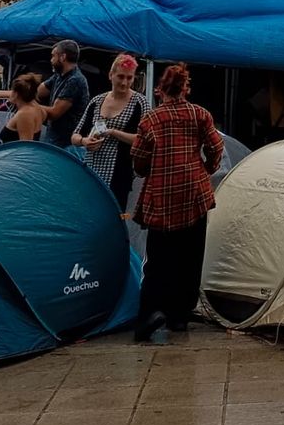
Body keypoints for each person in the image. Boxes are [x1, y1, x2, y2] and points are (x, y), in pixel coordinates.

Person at [131, 63, 224, 341]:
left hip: (162, 194)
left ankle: (150, 312)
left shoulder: (151, 120)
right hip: (195, 195)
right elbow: (216, 147)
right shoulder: (200, 115)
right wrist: (205, 169)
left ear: (161, 89)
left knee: (158, 257)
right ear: (186, 88)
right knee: (190, 256)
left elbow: (138, 159)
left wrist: (149, 169)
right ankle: (179, 316)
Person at [72, 53, 150, 203]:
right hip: (91, 171)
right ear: (110, 75)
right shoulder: (97, 101)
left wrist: (113, 132)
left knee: (117, 217)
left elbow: (144, 139)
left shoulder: (140, 102)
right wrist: (84, 141)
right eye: (120, 77)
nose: (125, 83)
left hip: (120, 174)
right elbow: (75, 135)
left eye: (129, 78)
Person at [39, 40, 90, 149]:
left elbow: (54, 113)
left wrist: (27, 106)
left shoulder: (75, 80)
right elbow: (38, 91)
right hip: (53, 139)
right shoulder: (59, 75)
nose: (51, 60)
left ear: (63, 57)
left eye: (53, 56)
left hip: (65, 144)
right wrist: (2, 94)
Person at [0, 74, 48, 142]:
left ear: (16, 93)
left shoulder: (24, 114)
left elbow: (25, 147)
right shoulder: (38, 108)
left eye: (12, 90)